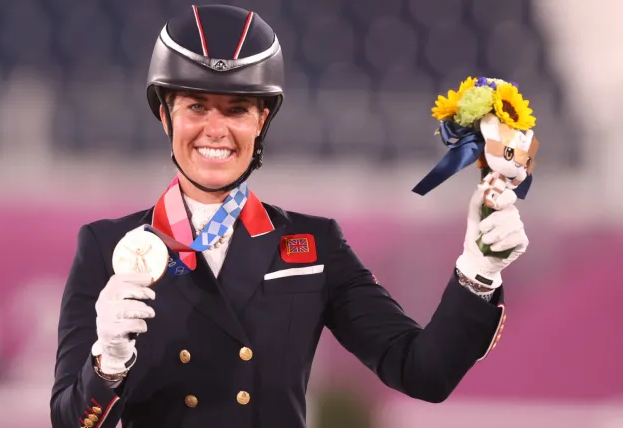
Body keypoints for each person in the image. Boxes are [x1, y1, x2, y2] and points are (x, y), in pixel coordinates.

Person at [50, 5, 528, 428]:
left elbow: (421, 371)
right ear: (165, 116)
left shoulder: (315, 245)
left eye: (237, 109)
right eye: (196, 106)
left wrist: (478, 272)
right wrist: (107, 363)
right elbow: (70, 423)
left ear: (262, 121)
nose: (215, 129)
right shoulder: (107, 246)